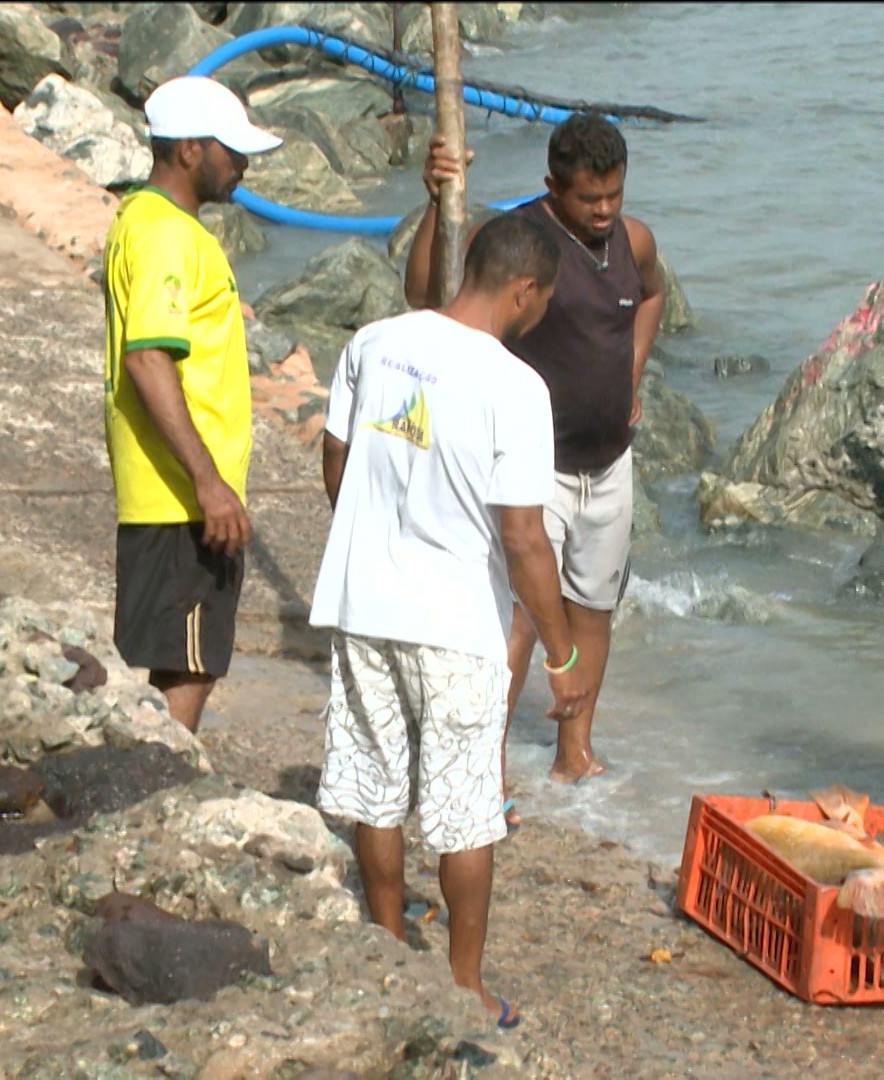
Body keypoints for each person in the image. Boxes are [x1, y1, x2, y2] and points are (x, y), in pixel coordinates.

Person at [311, 215, 590, 1028]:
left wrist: (365, 535)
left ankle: (388, 944)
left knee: (375, 785)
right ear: (525, 292)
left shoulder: (375, 340)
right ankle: (463, 986)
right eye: (541, 302)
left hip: (364, 603)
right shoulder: (516, 387)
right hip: (455, 620)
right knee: (465, 808)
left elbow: (335, 454)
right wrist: (563, 653)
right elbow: (524, 537)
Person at [403, 113, 666, 790]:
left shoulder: (634, 241)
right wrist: (438, 202)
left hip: (609, 460)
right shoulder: (521, 239)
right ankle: (484, 762)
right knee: (520, 614)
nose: (605, 211)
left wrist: (630, 373)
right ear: (553, 187)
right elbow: (428, 295)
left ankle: (573, 750)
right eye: (589, 199)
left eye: (614, 195)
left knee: (594, 608)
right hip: (531, 465)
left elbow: (654, 296)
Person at [102, 76, 282, 732]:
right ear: (188, 150)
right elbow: (149, 358)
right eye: (231, 152)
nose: (242, 166)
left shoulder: (144, 223)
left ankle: (156, 772)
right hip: (179, 497)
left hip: (172, 493)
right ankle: (162, 781)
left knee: (185, 656)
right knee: (189, 660)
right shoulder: (165, 236)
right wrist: (208, 484)